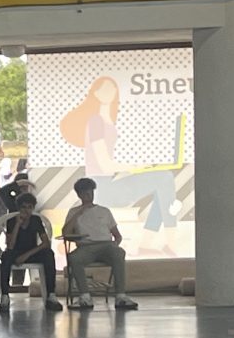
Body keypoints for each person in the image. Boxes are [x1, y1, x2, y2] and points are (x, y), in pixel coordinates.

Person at [60, 76, 180, 255]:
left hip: (108, 181)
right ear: (95, 93)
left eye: (111, 88)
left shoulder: (107, 120)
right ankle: (170, 243)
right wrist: (135, 167)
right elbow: (104, 164)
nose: (109, 92)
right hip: (102, 186)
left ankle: (148, 243)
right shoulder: (96, 121)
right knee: (165, 178)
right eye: (103, 88)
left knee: (162, 184)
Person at [63, 177, 139, 310]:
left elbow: (117, 235)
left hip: (106, 245)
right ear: (79, 195)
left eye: (91, 192)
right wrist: (79, 212)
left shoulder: (104, 211)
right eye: (85, 193)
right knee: (74, 258)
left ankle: (121, 296)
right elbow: (66, 233)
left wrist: (115, 245)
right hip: (86, 247)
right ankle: (85, 297)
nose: (89, 195)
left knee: (119, 253)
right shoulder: (73, 212)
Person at [0, 193, 63, 313]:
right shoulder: (11, 221)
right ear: (19, 208)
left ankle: (51, 295)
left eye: (29, 207)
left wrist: (26, 255)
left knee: (49, 254)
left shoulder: (36, 220)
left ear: (33, 208)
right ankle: (5, 296)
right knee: (5, 257)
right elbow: (10, 246)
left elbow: (45, 243)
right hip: (15, 251)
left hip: (31, 252)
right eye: (23, 207)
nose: (26, 210)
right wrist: (18, 224)